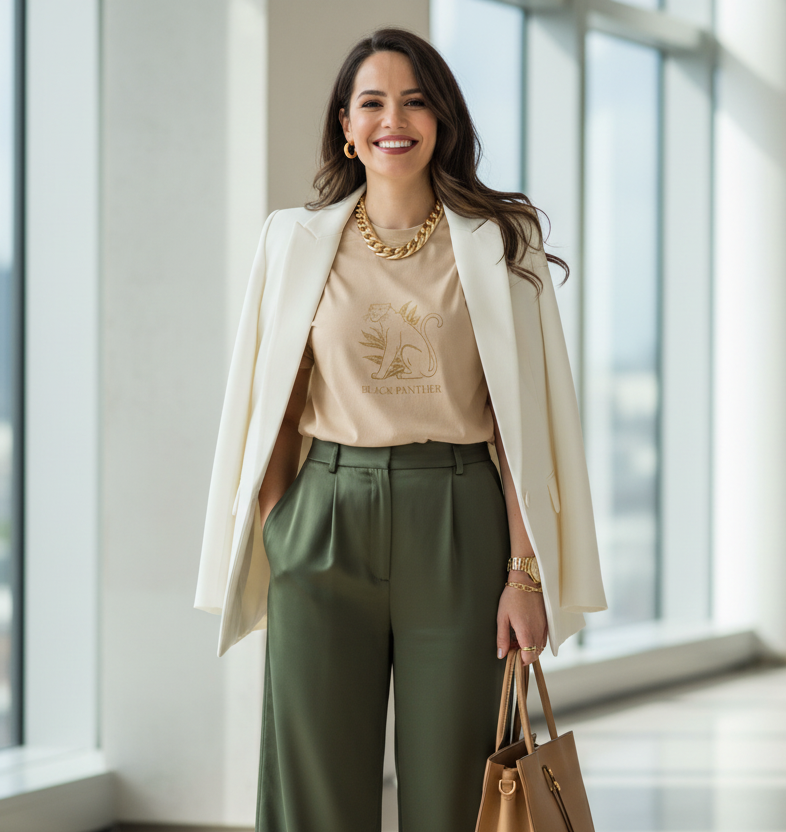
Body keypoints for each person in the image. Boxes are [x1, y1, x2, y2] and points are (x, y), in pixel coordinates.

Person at [194, 26, 607, 832]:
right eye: (373, 102)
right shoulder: (292, 239)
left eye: (415, 101)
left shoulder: (499, 241)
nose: (395, 119)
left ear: (442, 120)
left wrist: (525, 573)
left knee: (458, 789)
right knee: (312, 790)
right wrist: (284, 528)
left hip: (456, 520)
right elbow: (272, 405)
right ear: (346, 127)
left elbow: (517, 428)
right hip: (324, 519)